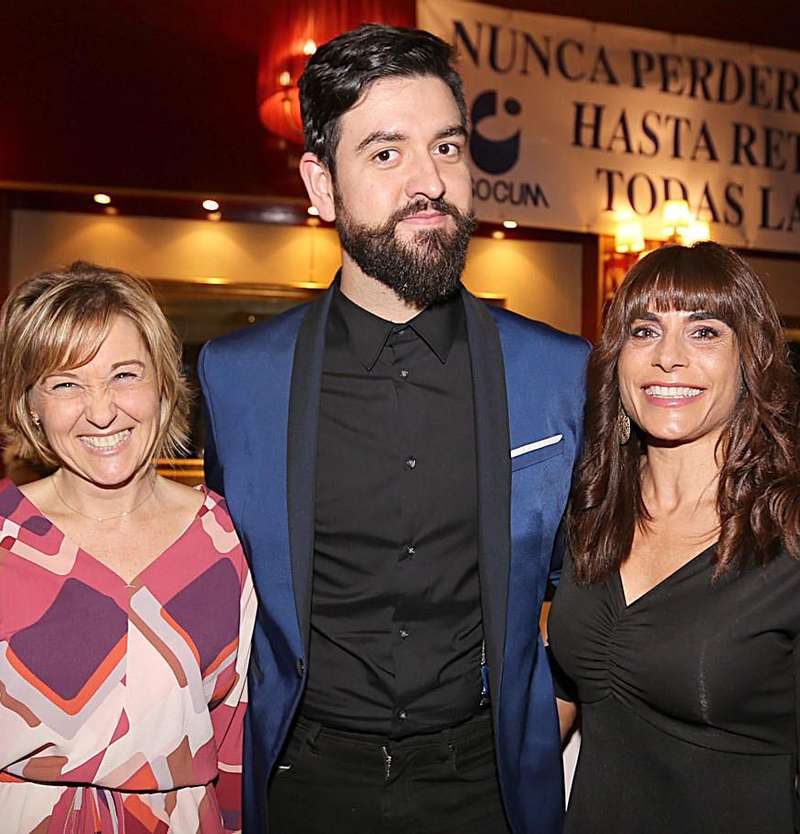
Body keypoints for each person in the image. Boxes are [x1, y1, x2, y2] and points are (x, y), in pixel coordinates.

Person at [197, 24, 587, 834]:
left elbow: (594, 586)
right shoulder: (238, 377)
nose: (430, 182)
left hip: (487, 790)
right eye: (386, 153)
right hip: (304, 783)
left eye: (447, 149)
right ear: (320, 184)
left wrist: (543, 718)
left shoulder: (557, 373)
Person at [0, 262, 254, 834]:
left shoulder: (226, 541)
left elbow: (241, 745)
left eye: (124, 374)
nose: (101, 410)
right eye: (66, 383)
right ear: (28, 402)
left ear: (164, 382)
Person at [548, 243, 800, 834]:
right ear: (617, 361)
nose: (669, 358)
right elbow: (565, 697)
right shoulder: (589, 512)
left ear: (751, 362)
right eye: (645, 330)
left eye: (705, 331)